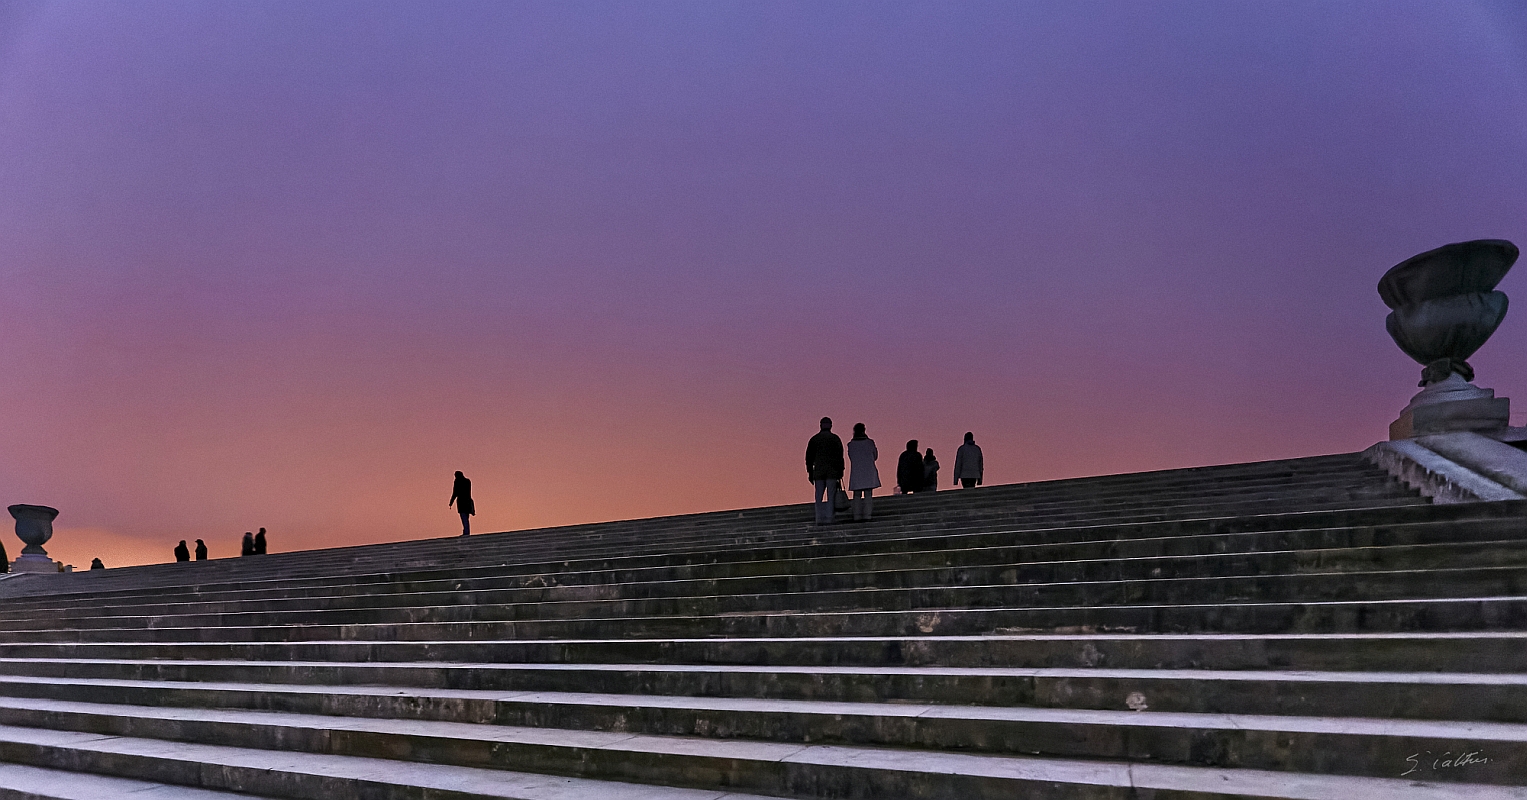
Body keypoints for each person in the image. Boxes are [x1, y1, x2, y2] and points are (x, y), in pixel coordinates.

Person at [804, 417, 845, 525]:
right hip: (832, 471)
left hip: (818, 471)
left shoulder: (814, 439)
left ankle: (819, 518)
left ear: (820, 425)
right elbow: (840, 456)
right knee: (831, 495)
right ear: (831, 425)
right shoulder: (835, 439)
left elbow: (809, 458)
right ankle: (829, 517)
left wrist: (810, 472)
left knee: (818, 496)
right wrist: (840, 471)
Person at [846, 422, 880, 521]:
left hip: (856, 471)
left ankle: (856, 515)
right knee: (868, 494)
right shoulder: (870, 442)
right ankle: (867, 515)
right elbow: (875, 456)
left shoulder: (851, 445)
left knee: (857, 494)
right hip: (868, 470)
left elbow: (851, 457)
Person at [449, 471, 475, 536]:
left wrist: (451, 502)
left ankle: (466, 532)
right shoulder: (467, 481)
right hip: (468, 501)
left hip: (461, 502)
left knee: (464, 517)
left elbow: (455, 493)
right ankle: (466, 531)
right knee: (466, 517)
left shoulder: (457, 482)